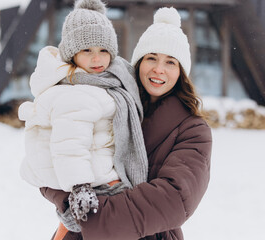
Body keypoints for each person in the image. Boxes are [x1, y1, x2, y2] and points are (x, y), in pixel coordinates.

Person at [40, 6, 212, 240]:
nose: (158, 69)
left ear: (181, 71)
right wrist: (69, 200)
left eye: (170, 62)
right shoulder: (105, 100)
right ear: (138, 62)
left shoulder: (193, 130)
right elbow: (50, 156)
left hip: (146, 234)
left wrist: (91, 217)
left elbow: (175, 198)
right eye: (151, 58)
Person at [18, 0, 148, 237]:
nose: (97, 59)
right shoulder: (77, 92)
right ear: (72, 54)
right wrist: (79, 186)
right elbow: (69, 144)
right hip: (90, 180)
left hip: (98, 173)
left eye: (103, 50)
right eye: (87, 50)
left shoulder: (103, 83)